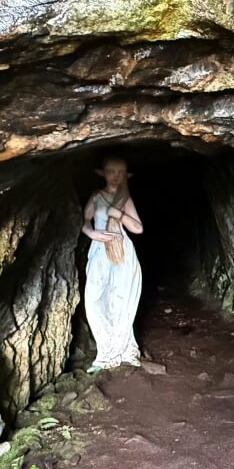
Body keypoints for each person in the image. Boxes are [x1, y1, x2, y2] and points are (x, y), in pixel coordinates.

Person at [81, 156, 145, 374]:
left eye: (120, 172)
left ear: (125, 175)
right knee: (95, 299)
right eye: (111, 171)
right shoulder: (96, 197)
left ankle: (126, 351)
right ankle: (105, 353)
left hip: (123, 252)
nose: (115, 177)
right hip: (100, 251)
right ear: (103, 173)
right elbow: (85, 221)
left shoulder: (125, 198)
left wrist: (118, 214)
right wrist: (93, 233)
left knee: (122, 299)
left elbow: (137, 228)